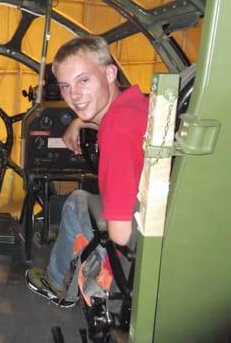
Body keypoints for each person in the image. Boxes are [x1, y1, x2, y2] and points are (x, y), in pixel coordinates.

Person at [26, 35, 149, 307]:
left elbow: (120, 236)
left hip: (137, 248)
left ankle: (57, 284)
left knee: (76, 202)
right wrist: (80, 123)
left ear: (109, 73)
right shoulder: (135, 105)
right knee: (82, 199)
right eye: (66, 87)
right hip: (152, 219)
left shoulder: (116, 132)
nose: (75, 96)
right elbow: (106, 121)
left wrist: (105, 262)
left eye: (84, 80)